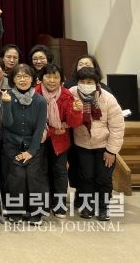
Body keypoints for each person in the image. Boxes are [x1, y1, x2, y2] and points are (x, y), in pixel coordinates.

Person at [70, 66, 125, 220]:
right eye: (82, 81)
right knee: (85, 177)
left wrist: (111, 151)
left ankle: (103, 208)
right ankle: (87, 206)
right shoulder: (72, 93)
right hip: (82, 144)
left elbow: (117, 126)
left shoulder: (107, 98)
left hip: (104, 146)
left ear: (96, 83)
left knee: (103, 178)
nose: (85, 85)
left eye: (89, 82)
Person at [1, 64, 48, 225]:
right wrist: (6, 104)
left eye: (26, 76)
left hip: (34, 146)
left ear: (32, 79)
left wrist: (31, 152)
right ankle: (15, 211)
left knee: (34, 176)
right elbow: (7, 124)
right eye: (18, 76)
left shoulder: (40, 101)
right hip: (12, 145)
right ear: (13, 79)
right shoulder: (7, 96)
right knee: (17, 176)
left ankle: (36, 212)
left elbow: (39, 129)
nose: (22, 79)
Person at [35, 63, 83, 217]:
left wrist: (76, 111)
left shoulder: (67, 95)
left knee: (60, 171)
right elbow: (32, 121)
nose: (52, 80)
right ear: (41, 78)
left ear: (62, 79)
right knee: (41, 171)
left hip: (60, 139)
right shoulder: (34, 93)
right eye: (48, 76)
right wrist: (52, 130)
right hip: (40, 138)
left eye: (56, 77)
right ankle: (44, 203)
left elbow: (74, 123)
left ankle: (60, 205)